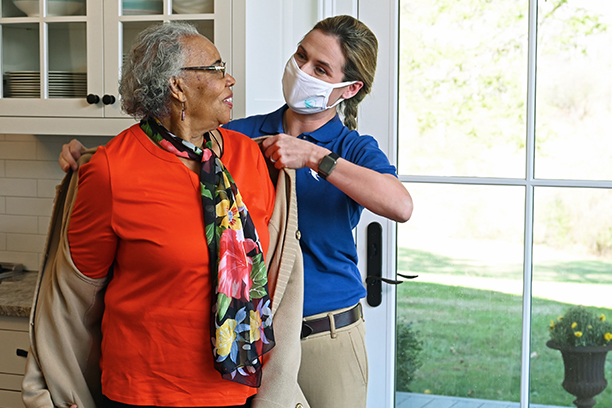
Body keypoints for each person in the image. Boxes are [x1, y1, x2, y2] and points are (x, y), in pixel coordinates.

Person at [58, 15, 413, 408]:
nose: (302, 70)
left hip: (325, 335)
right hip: (255, 338)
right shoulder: (242, 137)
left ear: (349, 88)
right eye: (301, 55)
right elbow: (166, 145)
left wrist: (314, 157)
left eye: (320, 69)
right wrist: (87, 159)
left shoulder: (352, 149)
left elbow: (399, 205)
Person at [24, 22, 310, 408]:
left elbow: (271, 278)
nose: (231, 79)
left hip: (241, 391)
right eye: (216, 68)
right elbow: (76, 301)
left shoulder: (248, 158)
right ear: (177, 86)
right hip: (144, 392)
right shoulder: (112, 171)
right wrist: (65, 386)